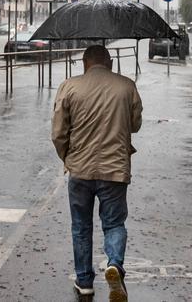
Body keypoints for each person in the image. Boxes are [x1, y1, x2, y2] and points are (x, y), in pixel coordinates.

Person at [52, 45, 143, 301]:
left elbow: (58, 133)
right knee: (114, 223)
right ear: (110, 63)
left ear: (84, 64)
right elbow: (135, 125)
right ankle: (114, 264)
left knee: (81, 226)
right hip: (115, 169)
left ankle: (84, 282)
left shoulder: (69, 87)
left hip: (80, 169)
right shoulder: (127, 86)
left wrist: (68, 158)